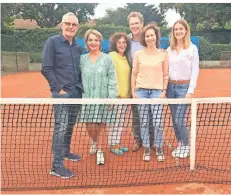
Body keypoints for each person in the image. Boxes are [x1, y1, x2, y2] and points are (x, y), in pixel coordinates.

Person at [41, 12, 83, 178]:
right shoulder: (52, 42)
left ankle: (65, 151)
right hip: (62, 94)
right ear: (61, 25)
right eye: (67, 24)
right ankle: (56, 166)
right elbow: (46, 68)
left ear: (77, 27)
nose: (70, 27)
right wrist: (58, 88)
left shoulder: (78, 47)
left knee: (70, 125)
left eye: (73, 25)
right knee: (61, 127)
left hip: (77, 93)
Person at [131, 23, 168, 162]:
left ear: (156, 36)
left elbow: (166, 74)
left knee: (158, 122)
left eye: (152, 35)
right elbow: (134, 73)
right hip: (141, 91)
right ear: (144, 38)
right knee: (144, 122)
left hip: (157, 92)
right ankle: (146, 147)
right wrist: (133, 91)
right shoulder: (138, 54)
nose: (150, 37)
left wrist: (164, 90)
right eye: (147, 35)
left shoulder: (163, 54)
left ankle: (158, 146)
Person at [79, 29, 117, 164]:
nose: (93, 42)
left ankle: (100, 150)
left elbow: (112, 79)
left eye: (96, 40)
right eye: (90, 40)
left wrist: (111, 97)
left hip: (103, 97)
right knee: (90, 126)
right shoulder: (82, 59)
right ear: (86, 43)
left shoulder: (107, 59)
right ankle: (94, 141)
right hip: (87, 98)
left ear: (100, 42)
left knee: (101, 125)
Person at [167, 19, 199, 159]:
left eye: (181, 29)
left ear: (186, 30)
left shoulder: (192, 48)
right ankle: (180, 142)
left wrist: (190, 90)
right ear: (173, 32)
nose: (178, 31)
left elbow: (195, 70)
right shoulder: (169, 50)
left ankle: (186, 145)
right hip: (170, 88)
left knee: (180, 119)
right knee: (174, 119)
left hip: (183, 88)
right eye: (176, 29)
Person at [127, 11, 154, 152]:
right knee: (136, 113)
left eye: (136, 23)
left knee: (150, 112)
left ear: (141, 24)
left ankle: (152, 140)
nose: (134, 26)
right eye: (132, 24)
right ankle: (138, 139)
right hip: (133, 83)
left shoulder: (148, 37)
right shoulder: (125, 40)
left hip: (149, 82)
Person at [108, 32, 131, 155]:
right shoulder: (112, 55)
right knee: (114, 123)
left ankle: (117, 142)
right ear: (114, 44)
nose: (122, 45)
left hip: (125, 97)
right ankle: (113, 145)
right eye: (119, 42)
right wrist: (112, 96)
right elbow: (110, 76)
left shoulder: (126, 57)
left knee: (120, 122)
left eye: (124, 42)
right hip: (116, 97)